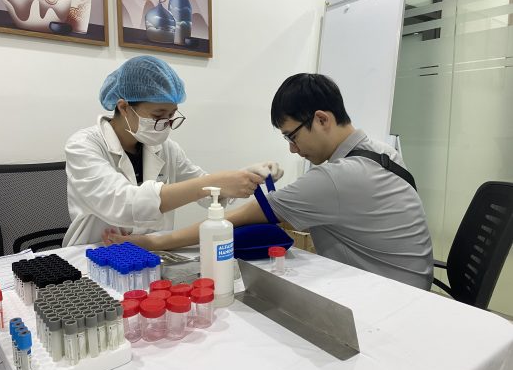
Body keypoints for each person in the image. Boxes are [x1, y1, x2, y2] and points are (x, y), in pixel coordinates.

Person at [104, 73, 433, 290]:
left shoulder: (336, 177)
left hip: (388, 295)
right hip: (413, 285)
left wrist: (156, 242)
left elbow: (236, 218)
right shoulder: (382, 151)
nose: (292, 149)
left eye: (292, 136)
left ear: (322, 119)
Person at [63, 56, 283, 247]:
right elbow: (122, 203)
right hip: (92, 251)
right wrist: (213, 182)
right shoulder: (83, 145)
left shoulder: (166, 148)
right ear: (124, 107)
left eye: (171, 115)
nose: (166, 124)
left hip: (149, 252)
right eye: (158, 115)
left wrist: (245, 175)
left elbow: (206, 192)